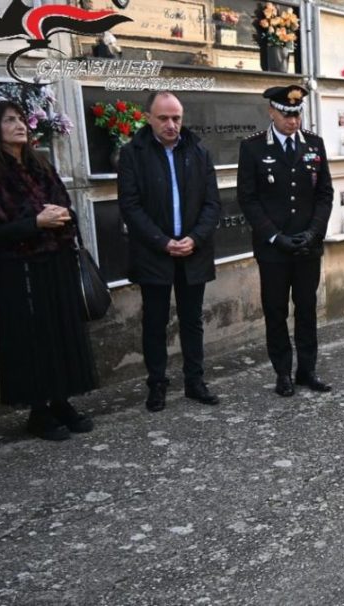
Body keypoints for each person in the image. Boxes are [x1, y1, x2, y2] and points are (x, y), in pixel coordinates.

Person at [0, 100, 97, 440]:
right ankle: (39, 411)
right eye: (10, 120)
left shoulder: (40, 165)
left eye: (22, 119)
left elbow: (65, 205)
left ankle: (62, 401)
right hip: (18, 270)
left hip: (55, 262)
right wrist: (36, 222)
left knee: (60, 333)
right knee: (33, 339)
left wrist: (60, 215)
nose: (20, 125)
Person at [117, 91, 222, 412]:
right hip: (154, 253)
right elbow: (130, 207)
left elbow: (212, 203)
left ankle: (195, 381)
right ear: (149, 117)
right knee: (155, 321)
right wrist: (162, 241)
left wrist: (195, 238)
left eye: (176, 118)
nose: (171, 124)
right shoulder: (133, 154)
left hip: (193, 251)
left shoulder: (199, 151)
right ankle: (157, 384)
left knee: (192, 321)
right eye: (163, 118)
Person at [238, 84, 333, 397]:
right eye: (286, 114)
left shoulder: (315, 145)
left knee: (306, 309)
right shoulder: (253, 148)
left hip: (307, 246)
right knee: (276, 311)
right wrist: (274, 236)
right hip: (273, 250)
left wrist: (313, 232)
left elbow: (324, 194)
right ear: (271, 112)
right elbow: (248, 200)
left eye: (297, 114)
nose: (292, 121)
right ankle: (282, 372)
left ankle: (307, 370)